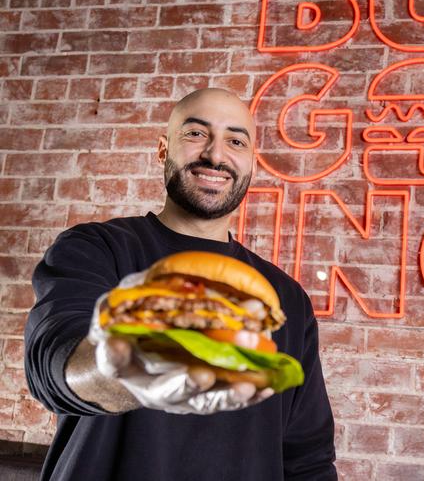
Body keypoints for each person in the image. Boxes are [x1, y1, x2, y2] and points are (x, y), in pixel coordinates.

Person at [24, 88, 337, 481]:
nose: (216, 155)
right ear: (162, 150)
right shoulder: (96, 249)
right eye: (195, 134)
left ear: (252, 164)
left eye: (235, 141)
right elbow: (53, 363)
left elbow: (307, 458)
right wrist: (130, 367)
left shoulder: (286, 297)